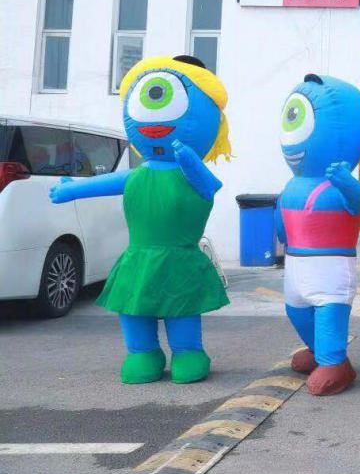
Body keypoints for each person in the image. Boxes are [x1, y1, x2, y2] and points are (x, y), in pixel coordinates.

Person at [50, 55, 231, 384]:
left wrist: (191, 161)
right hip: (139, 256)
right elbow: (107, 183)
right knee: (134, 308)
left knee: (181, 308)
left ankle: (187, 351)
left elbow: (209, 187)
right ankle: (143, 352)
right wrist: (71, 189)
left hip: (179, 258)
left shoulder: (192, 173)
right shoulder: (138, 175)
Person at [276, 74, 360, 396]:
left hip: (330, 268)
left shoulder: (339, 183)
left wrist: (346, 183)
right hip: (296, 264)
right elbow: (282, 223)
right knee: (296, 310)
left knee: (329, 312)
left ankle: (335, 363)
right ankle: (318, 350)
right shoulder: (293, 184)